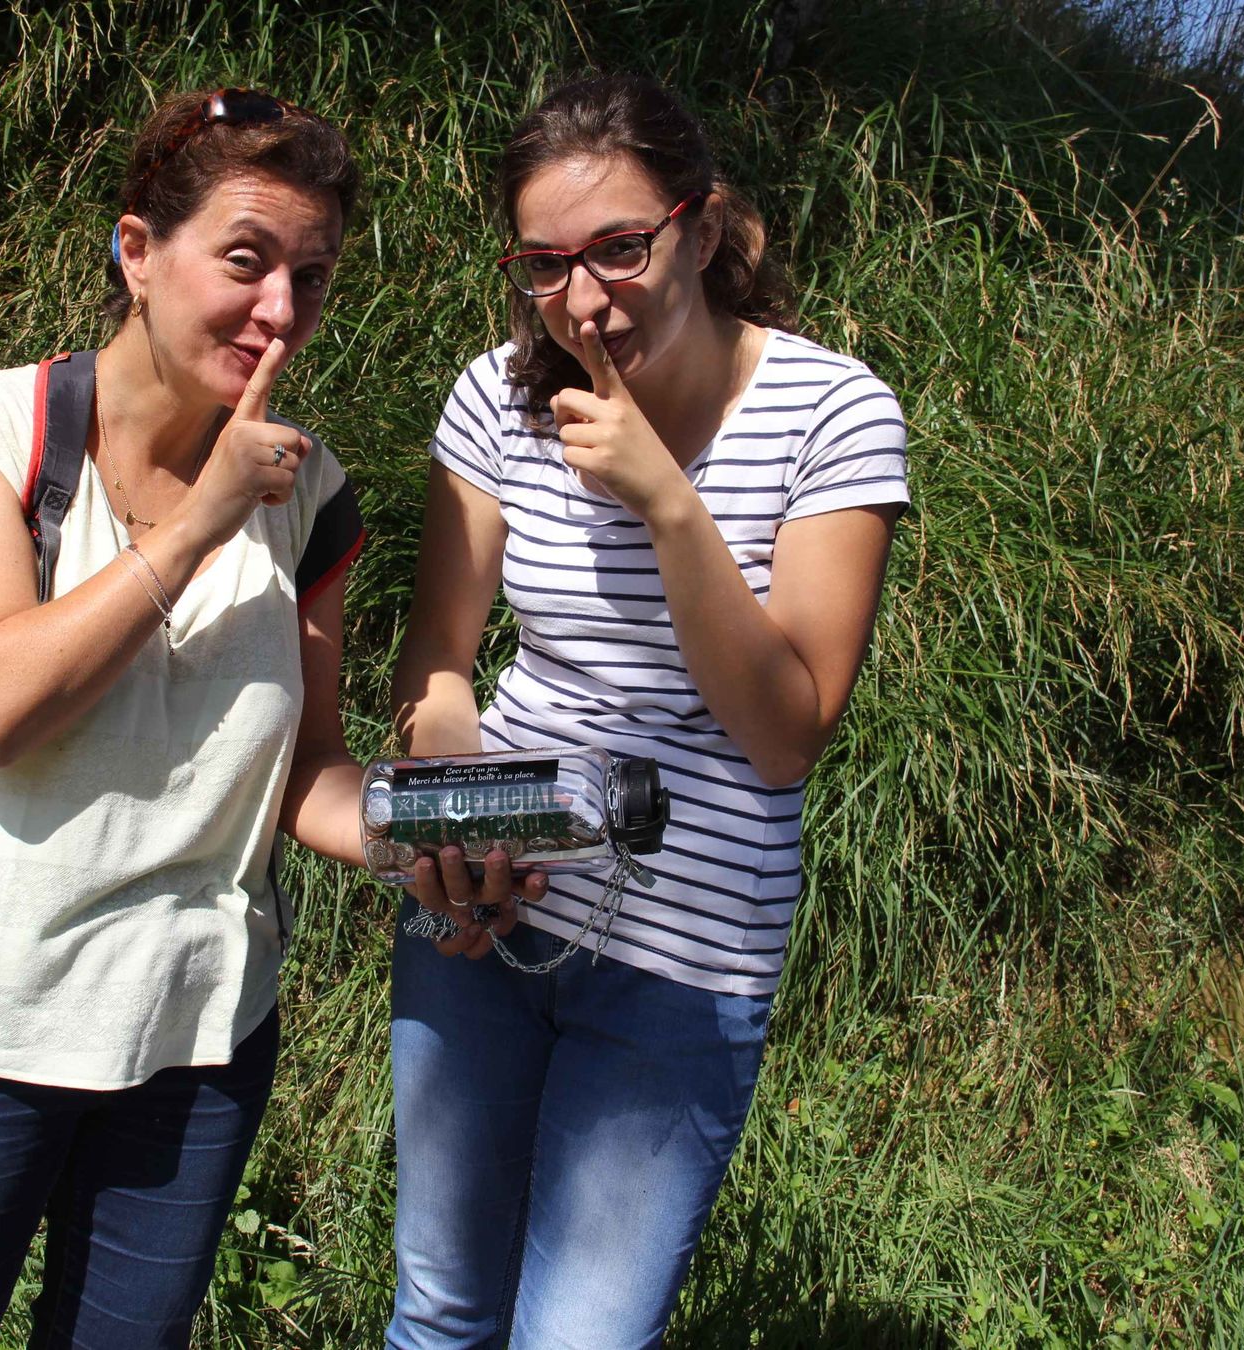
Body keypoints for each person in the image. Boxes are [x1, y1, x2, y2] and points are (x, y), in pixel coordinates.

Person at [0, 87, 379, 1350]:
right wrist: (197, 523)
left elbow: (306, 773)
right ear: (137, 251)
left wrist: (428, 839)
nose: (279, 309)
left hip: (196, 1028)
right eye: (245, 260)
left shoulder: (310, 497)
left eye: (310, 276)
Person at [386, 74, 911, 1348]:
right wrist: (451, 802)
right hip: (491, 904)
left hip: (685, 959)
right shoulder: (496, 396)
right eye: (544, 264)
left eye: (619, 247)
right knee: (440, 1309)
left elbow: (784, 733)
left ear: (702, 225)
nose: (582, 300)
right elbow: (438, 654)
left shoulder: (830, 412)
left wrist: (669, 503)